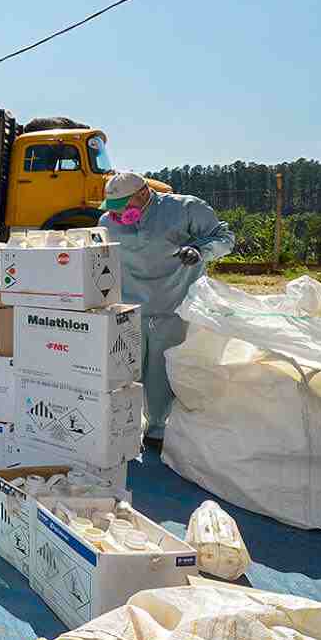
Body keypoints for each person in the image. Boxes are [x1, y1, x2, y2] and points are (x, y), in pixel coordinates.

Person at [99, 172, 234, 443]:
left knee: (162, 372)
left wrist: (200, 251)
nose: (118, 215)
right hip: (129, 308)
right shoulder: (106, 222)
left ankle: (161, 430)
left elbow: (225, 237)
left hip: (172, 304)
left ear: (143, 193)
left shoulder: (185, 209)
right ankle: (124, 426)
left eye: (124, 206)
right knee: (125, 371)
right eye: (112, 209)